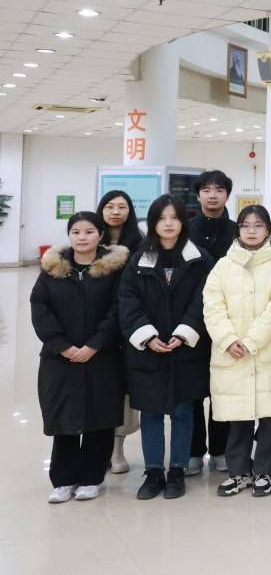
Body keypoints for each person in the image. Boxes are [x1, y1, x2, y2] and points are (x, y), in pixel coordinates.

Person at [117, 195, 213, 500]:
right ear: (153, 223)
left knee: (184, 410)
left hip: (186, 349)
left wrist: (184, 333)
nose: (168, 224)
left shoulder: (201, 259)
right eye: (161, 218)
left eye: (174, 217)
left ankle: (178, 470)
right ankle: (154, 471)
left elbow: (204, 300)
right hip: (148, 351)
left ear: (183, 221)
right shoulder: (138, 261)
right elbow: (127, 302)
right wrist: (147, 336)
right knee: (151, 412)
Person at [32, 212, 129, 503]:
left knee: (100, 417)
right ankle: (63, 480)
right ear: (69, 235)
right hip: (59, 357)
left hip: (102, 355)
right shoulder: (53, 268)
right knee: (64, 416)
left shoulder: (114, 270)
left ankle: (91, 478)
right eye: (76, 232)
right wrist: (61, 345)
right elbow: (40, 306)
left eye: (89, 231)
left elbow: (118, 309)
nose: (82, 237)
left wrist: (95, 344)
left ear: (101, 235)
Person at [203, 205, 271, 498]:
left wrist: (252, 341)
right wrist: (228, 339)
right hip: (231, 353)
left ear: (268, 229)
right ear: (238, 230)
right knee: (237, 418)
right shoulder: (223, 265)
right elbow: (212, 308)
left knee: (269, 418)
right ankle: (238, 472)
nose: (251, 230)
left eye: (258, 225)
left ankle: (266, 471)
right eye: (245, 225)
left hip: (267, 353)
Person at [188, 169, 235, 475]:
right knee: (193, 389)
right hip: (191, 320)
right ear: (198, 195)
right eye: (207, 190)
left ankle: (220, 450)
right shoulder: (186, 230)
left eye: (219, 190)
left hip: (229, 321)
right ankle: (193, 452)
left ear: (227, 195)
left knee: (223, 387)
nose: (213, 195)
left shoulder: (237, 231)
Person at [96, 190, 143, 474]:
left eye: (122, 207)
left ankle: (117, 450)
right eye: (110, 206)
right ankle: (96, 449)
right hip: (95, 325)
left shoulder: (140, 244)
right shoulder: (91, 240)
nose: (115, 211)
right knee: (98, 388)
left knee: (123, 390)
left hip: (126, 326)